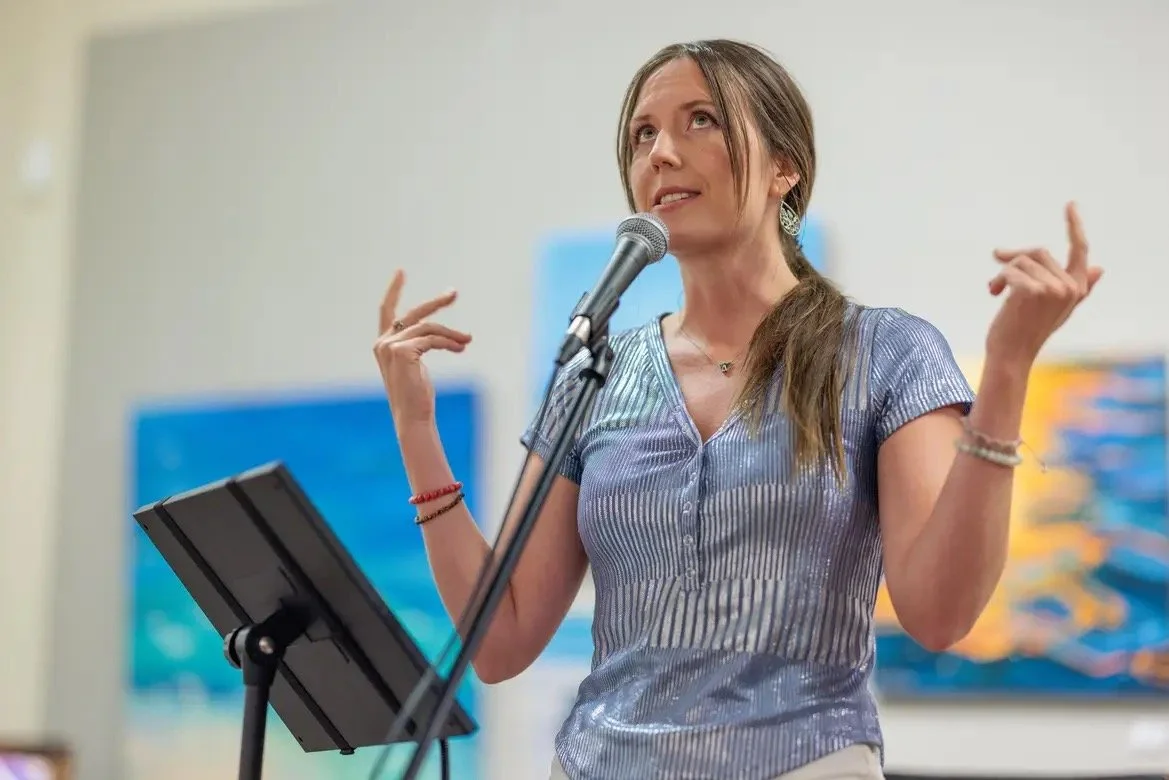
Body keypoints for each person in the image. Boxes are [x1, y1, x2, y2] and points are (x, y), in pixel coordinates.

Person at [373, 39, 1103, 780]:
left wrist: (1008, 368)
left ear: (783, 169)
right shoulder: (593, 374)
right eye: (642, 134)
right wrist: (415, 428)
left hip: (805, 762)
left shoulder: (887, 354)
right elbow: (499, 642)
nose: (661, 153)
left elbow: (941, 616)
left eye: (700, 120)